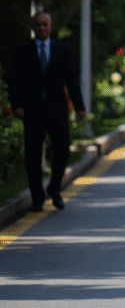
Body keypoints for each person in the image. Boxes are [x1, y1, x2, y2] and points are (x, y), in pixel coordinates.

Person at [9, 12, 86, 212]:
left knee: (62, 149)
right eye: (38, 25)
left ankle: (54, 188)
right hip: (32, 111)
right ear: (33, 28)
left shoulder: (62, 49)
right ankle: (37, 198)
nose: (42, 28)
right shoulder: (23, 50)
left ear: (50, 26)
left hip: (57, 109)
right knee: (33, 155)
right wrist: (16, 105)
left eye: (45, 24)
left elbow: (71, 80)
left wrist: (79, 107)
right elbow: (14, 81)